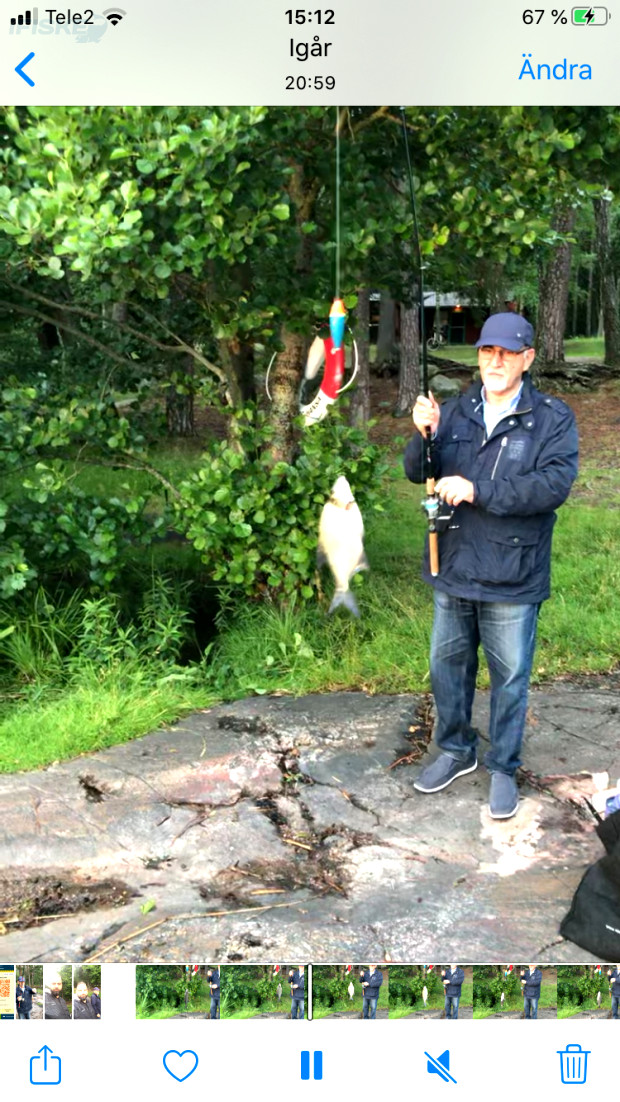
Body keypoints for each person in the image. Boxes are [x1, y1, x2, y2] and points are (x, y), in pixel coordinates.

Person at [405, 312, 578, 819]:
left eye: (507, 353)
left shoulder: (552, 418)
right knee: (448, 668)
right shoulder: (456, 411)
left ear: (527, 359)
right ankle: (456, 749)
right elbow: (417, 471)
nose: (495, 361)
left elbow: (551, 487)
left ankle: (503, 766)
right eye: (487, 351)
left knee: (509, 675)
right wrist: (424, 433)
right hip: (453, 563)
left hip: (513, 571)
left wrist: (477, 490)